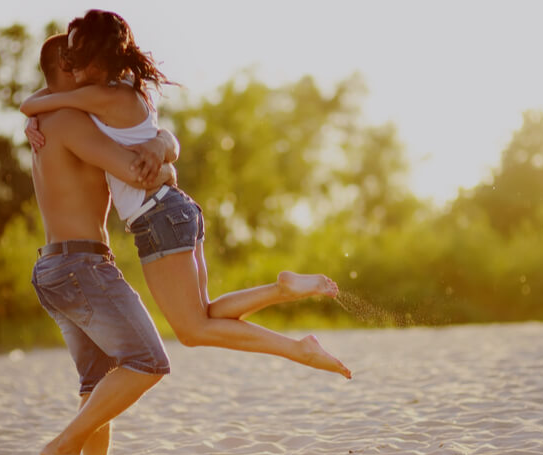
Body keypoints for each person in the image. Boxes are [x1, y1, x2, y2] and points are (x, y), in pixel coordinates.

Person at [21, 10, 352, 381]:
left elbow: (34, 102)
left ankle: (297, 349)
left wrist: (34, 118)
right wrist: (165, 152)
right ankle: (282, 289)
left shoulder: (98, 96)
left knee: (192, 331)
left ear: (97, 59)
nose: (73, 65)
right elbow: (164, 139)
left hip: (157, 217)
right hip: (176, 210)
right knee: (205, 315)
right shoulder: (130, 87)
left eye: (79, 57)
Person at [27, 33, 179, 455]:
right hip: (81, 265)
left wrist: (164, 140)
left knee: (96, 385)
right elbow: (138, 171)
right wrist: (166, 159)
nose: (101, 73)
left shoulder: (50, 119)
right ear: (71, 71)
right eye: (86, 64)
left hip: (53, 267)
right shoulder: (72, 121)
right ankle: (64, 445)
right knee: (149, 361)